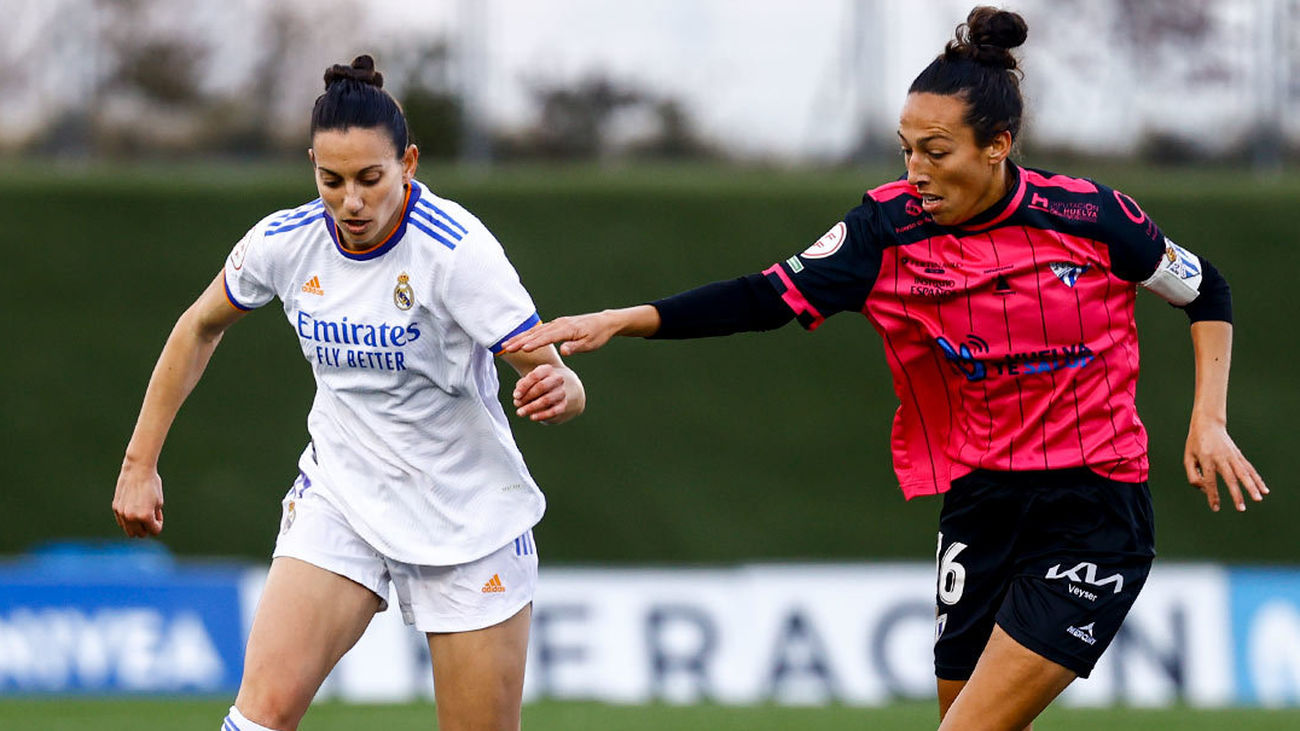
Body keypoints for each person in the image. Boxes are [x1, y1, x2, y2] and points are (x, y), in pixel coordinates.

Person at [502, 7, 1268, 730]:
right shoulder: (884, 229)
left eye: (937, 152)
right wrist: (625, 319)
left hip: (1094, 506)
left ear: (996, 144)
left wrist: (1209, 418)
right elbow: (764, 296)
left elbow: (1207, 289)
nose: (917, 170)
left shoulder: (1092, 220)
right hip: (981, 504)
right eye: (906, 149)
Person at [111, 55, 584, 731]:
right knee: (257, 719)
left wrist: (564, 387)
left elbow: (549, 366)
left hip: (467, 517)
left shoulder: (456, 252)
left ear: (409, 163)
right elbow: (198, 327)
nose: (351, 201)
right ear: (311, 166)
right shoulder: (285, 242)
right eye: (331, 180)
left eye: (370, 178)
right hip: (343, 498)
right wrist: (138, 463)